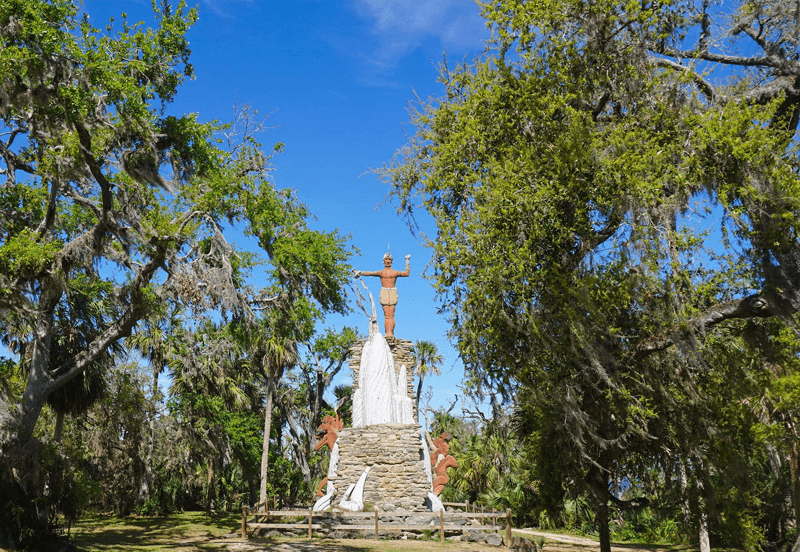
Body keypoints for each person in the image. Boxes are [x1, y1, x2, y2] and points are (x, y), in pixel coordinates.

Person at [354, 253, 410, 337]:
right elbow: (370, 273)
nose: (388, 261)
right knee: (387, 315)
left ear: (392, 261)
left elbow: (406, 273)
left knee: (391, 315)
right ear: (383, 261)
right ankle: (388, 333)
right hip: (384, 292)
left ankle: (390, 333)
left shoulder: (395, 272)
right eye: (386, 259)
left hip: (392, 292)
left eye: (389, 259)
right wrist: (360, 273)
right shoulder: (381, 272)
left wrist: (407, 261)